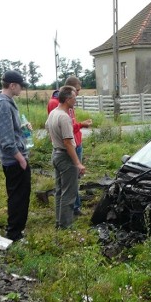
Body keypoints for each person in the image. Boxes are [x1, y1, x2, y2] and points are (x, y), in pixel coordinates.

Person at [0, 70, 32, 242]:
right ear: (12, 85)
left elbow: (9, 130)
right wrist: (20, 158)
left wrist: (22, 126)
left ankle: (16, 231)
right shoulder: (4, 104)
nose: (21, 89)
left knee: (19, 195)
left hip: (14, 158)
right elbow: (5, 138)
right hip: (14, 160)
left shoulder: (6, 101)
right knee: (18, 197)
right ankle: (14, 234)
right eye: (20, 86)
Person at [47, 76, 92, 215]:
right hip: (67, 149)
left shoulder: (67, 105)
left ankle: (69, 212)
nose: (77, 95)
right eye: (76, 91)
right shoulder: (56, 105)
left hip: (74, 144)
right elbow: (64, 131)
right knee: (67, 186)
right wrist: (81, 125)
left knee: (71, 181)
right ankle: (68, 216)